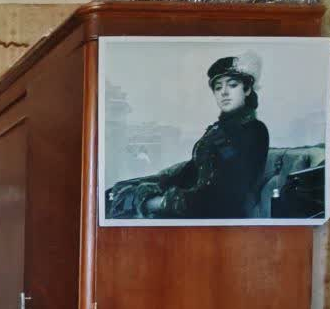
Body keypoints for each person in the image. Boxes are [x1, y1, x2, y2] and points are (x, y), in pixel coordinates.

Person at [109, 52, 270, 220]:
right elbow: (192, 170)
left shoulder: (254, 131)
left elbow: (228, 193)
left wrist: (158, 203)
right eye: (218, 87)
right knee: (120, 192)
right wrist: (155, 186)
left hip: (219, 218)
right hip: (195, 206)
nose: (224, 92)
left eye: (232, 85)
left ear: (247, 89)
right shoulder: (217, 131)